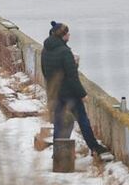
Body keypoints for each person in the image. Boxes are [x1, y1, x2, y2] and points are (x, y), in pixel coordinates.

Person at [41, 21, 110, 156]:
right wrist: (82, 94)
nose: (69, 35)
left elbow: (44, 71)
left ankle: (58, 153)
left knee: (59, 122)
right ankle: (94, 147)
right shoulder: (65, 52)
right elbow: (72, 76)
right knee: (83, 120)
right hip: (69, 94)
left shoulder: (45, 50)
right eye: (67, 33)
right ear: (63, 36)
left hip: (55, 92)